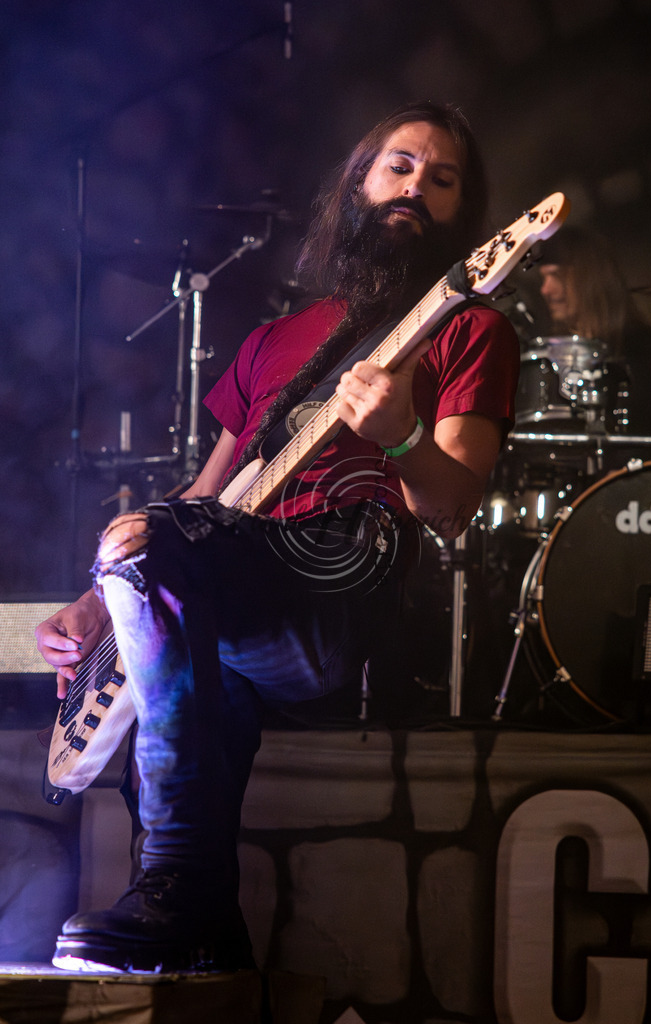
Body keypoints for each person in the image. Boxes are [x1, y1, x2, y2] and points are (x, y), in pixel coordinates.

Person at [35, 101, 520, 974]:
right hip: (240, 577)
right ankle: (201, 923)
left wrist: (401, 434)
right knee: (179, 631)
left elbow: (452, 504)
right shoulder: (270, 342)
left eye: (442, 180)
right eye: (400, 165)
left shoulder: (470, 326)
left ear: (463, 214)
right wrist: (97, 600)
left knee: (169, 562)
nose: (417, 186)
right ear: (357, 185)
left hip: (344, 581)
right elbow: (203, 497)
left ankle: (175, 881)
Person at [536, 224, 651, 437]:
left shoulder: (647, 351)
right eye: (543, 278)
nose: (545, 290)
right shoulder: (546, 358)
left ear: (589, 277)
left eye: (556, 276)